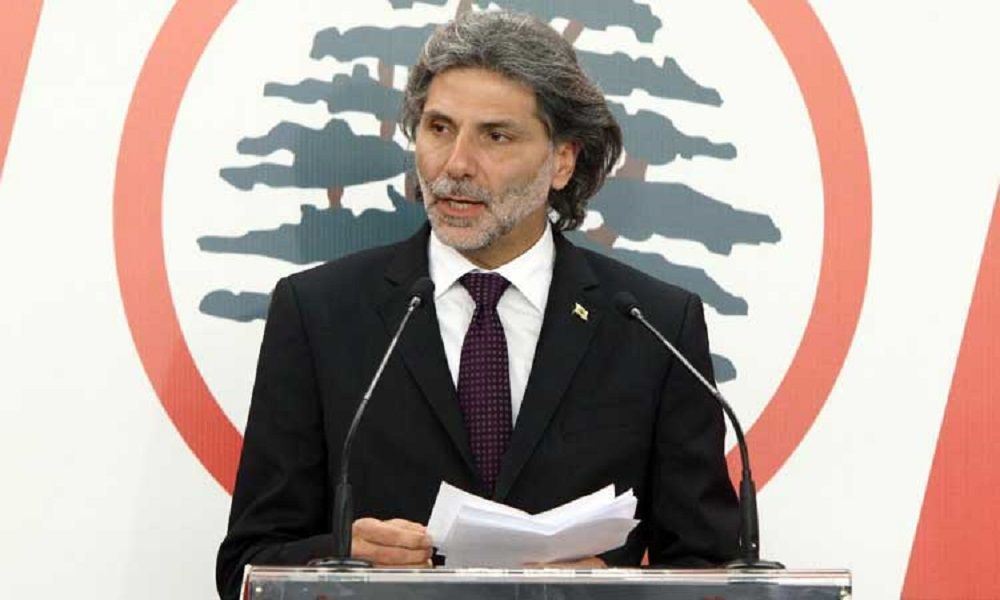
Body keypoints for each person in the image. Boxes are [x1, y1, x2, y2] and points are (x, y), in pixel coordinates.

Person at [217, 10, 738, 599]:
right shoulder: (319, 313)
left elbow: (713, 571)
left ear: (562, 161)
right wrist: (340, 559)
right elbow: (246, 566)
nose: (456, 164)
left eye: (496, 136)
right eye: (439, 128)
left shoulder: (653, 326)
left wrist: (612, 590)